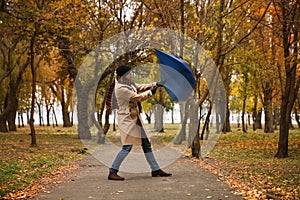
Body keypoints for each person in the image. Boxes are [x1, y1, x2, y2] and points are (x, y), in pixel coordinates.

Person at [108, 65, 172, 181]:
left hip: (135, 118)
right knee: (127, 146)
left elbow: (140, 87)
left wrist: (155, 84)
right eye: (128, 73)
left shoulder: (129, 83)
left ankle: (155, 169)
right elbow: (137, 97)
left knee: (146, 143)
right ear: (120, 76)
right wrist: (151, 92)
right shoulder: (121, 88)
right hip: (127, 119)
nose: (130, 75)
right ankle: (112, 171)